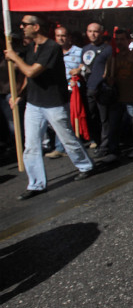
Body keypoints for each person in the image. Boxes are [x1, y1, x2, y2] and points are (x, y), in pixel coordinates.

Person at [4, 14, 94, 201]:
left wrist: (14, 57)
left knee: (67, 139)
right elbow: (28, 78)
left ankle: (85, 165)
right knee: (31, 145)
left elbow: (31, 71)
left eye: (25, 24)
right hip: (34, 104)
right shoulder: (31, 47)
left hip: (53, 103)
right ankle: (36, 184)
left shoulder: (52, 47)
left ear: (36, 27)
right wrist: (19, 95)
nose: (22, 27)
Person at [69, 22, 113, 157]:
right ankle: (98, 142)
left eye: (95, 31)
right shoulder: (85, 48)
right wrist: (77, 71)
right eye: (89, 31)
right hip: (89, 88)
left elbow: (110, 68)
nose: (92, 34)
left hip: (103, 89)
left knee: (104, 119)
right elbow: (84, 65)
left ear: (101, 33)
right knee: (91, 117)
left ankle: (105, 147)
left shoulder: (108, 49)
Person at [104, 29, 133, 162]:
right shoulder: (113, 58)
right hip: (116, 97)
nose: (119, 42)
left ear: (129, 41)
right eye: (117, 39)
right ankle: (113, 150)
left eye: (122, 39)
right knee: (114, 124)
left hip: (132, 96)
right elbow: (107, 76)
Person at [45, 26, 83, 159]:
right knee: (58, 119)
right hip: (57, 90)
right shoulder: (51, 52)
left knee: (68, 118)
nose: (61, 39)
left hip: (74, 90)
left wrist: (79, 70)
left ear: (69, 37)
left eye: (64, 36)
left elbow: (85, 65)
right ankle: (60, 147)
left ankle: (71, 147)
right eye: (58, 36)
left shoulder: (79, 52)